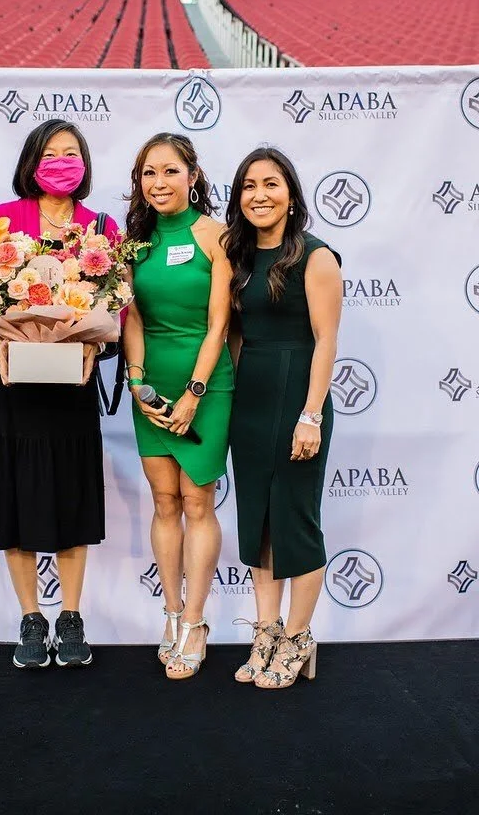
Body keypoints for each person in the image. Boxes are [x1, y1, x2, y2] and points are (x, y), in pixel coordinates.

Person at [0, 119, 120, 670]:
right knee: (13, 492)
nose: (61, 162)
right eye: (50, 153)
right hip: (6, 375)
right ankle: (31, 618)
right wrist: (1, 342)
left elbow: (116, 304)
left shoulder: (100, 227)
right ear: (31, 161)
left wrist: (91, 347)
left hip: (69, 376)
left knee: (68, 490)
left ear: (85, 163)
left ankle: (71, 617)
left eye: (71, 153)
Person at [223, 147, 342, 689]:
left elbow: (325, 342)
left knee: (295, 519)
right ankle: (266, 632)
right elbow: (236, 336)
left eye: (271, 184)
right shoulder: (239, 257)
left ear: (291, 194)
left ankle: (298, 637)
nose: (259, 195)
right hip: (249, 399)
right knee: (258, 522)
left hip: (298, 396)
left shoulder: (316, 257)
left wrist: (311, 415)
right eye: (249, 186)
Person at [123, 133, 233, 680]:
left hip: (206, 383)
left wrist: (194, 392)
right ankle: (170, 613)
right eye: (149, 173)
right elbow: (133, 318)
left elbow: (219, 324)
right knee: (164, 501)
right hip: (150, 381)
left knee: (197, 502)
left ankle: (195, 621)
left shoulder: (217, 235)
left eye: (170, 171)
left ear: (193, 175)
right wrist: (137, 383)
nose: (159, 182)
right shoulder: (132, 243)